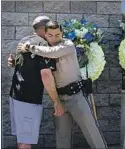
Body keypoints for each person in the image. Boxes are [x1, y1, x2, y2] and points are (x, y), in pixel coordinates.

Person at [17, 21, 107, 149]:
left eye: (57, 35)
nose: (54, 38)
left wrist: (29, 47)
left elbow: (53, 52)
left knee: (93, 134)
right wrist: (13, 61)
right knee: (62, 137)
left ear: (62, 33)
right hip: (59, 99)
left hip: (77, 97)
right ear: (45, 34)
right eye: (50, 35)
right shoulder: (43, 49)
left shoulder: (67, 45)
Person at [8, 16, 64, 149]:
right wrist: (56, 101)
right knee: (26, 141)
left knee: (22, 138)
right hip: (28, 99)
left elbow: (15, 62)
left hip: (16, 96)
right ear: (44, 29)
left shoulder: (23, 41)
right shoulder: (42, 45)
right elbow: (45, 74)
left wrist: (11, 61)